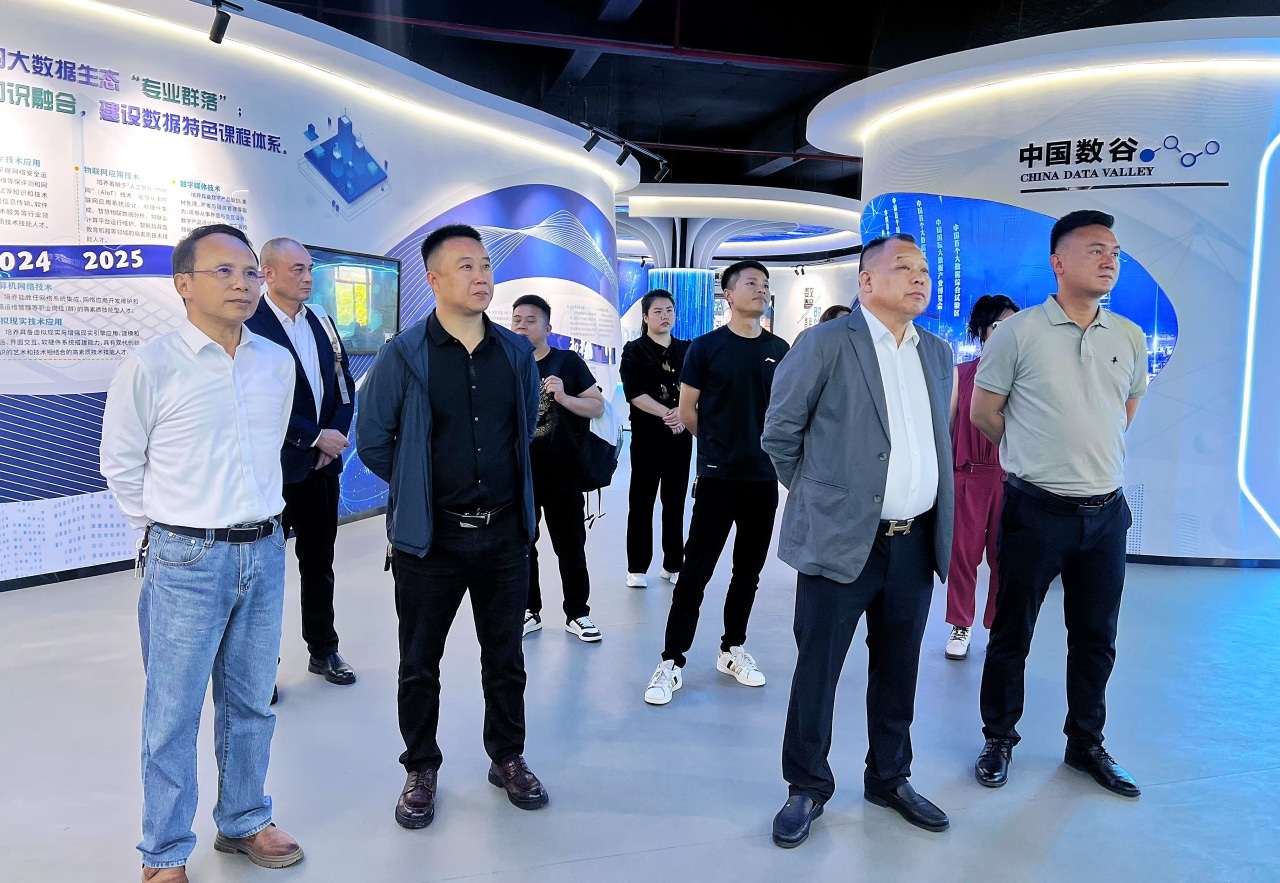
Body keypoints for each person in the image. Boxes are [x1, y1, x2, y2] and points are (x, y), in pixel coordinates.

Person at [100, 224, 303, 882]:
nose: (242, 283)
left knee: (252, 702)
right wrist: (166, 530)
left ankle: (243, 818)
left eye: (249, 272)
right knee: (173, 712)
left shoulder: (275, 362)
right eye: (223, 271)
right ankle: (163, 854)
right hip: (185, 559)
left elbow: (270, 449)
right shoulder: (151, 365)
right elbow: (121, 462)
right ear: (183, 284)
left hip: (264, 551)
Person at [761, 233, 956, 846]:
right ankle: (806, 785)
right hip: (841, 539)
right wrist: (825, 501)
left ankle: (890, 777)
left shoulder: (936, 352)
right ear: (867, 281)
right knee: (818, 669)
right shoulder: (824, 344)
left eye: (924, 269)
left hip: (915, 539)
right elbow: (780, 434)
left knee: (899, 669)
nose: (919, 277)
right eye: (904, 267)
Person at [357, 223, 549, 832]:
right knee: (419, 662)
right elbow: (373, 439)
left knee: (506, 658)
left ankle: (507, 756)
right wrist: (418, 485)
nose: (481, 276)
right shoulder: (404, 354)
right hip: (430, 540)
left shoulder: (515, 353)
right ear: (435, 279)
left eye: (485, 265)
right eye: (466, 266)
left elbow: (523, 428)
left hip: (504, 535)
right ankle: (420, 767)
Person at [971, 210, 1147, 798]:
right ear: (1058, 262)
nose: (1109, 260)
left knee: (1096, 636)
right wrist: (1034, 452)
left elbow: (1123, 412)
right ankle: (999, 737)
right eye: (1096, 249)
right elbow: (983, 412)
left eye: (1114, 252)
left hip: (1107, 514)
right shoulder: (1018, 333)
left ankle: (1085, 743)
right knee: (1012, 631)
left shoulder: (1128, 335)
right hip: (1034, 511)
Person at [642, 260, 790, 706]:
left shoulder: (780, 349)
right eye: (751, 283)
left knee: (748, 572)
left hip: (763, 479)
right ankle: (672, 660)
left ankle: (732, 649)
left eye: (765, 284)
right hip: (717, 478)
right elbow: (688, 411)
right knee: (695, 572)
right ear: (728, 294)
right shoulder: (706, 348)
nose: (761, 290)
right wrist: (717, 447)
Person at [247, 237, 358, 693]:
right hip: (272, 470)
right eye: (297, 269)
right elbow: (253, 397)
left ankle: (323, 648)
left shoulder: (322, 322)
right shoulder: (249, 324)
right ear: (268, 273)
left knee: (319, 563)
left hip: (321, 468)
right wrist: (312, 436)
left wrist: (333, 437)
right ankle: (260, 669)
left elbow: (344, 385)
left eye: (310, 268)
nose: (308, 277)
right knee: (263, 575)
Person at [510, 293, 605, 642]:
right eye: (517, 319)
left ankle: (577, 613)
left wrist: (564, 397)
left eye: (530, 320)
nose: (522, 325)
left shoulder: (567, 362)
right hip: (519, 473)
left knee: (570, 546)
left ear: (548, 327)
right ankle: (528, 610)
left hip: (563, 472)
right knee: (522, 545)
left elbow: (597, 406)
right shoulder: (505, 363)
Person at [943, 294, 1020, 660]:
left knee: (1005, 557)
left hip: (1010, 479)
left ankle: (997, 624)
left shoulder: (1024, 378)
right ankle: (961, 623)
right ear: (981, 330)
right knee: (962, 555)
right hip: (967, 476)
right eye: (999, 325)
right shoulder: (962, 374)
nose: (1008, 332)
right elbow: (948, 429)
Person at [619, 289, 692, 588]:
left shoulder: (687, 349)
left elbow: (699, 388)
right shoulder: (634, 350)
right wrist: (670, 414)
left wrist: (683, 415)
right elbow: (634, 393)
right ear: (646, 317)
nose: (665, 316)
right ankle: (637, 567)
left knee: (675, 501)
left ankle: (673, 563)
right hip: (647, 437)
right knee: (642, 500)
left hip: (680, 436)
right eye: (658, 311)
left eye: (669, 310)